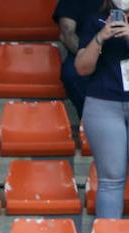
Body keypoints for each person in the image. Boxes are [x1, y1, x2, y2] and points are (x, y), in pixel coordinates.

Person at [76, 2, 129, 219]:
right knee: (111, 180)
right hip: (104, 104)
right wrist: (100, 37)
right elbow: (82, 68)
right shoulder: (95, 20)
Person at [56, 0, 103, 116]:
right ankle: (90, 119)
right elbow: (67, 32)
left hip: (121, 54)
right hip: (82, 51)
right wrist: (89, 56)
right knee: (71, 73)